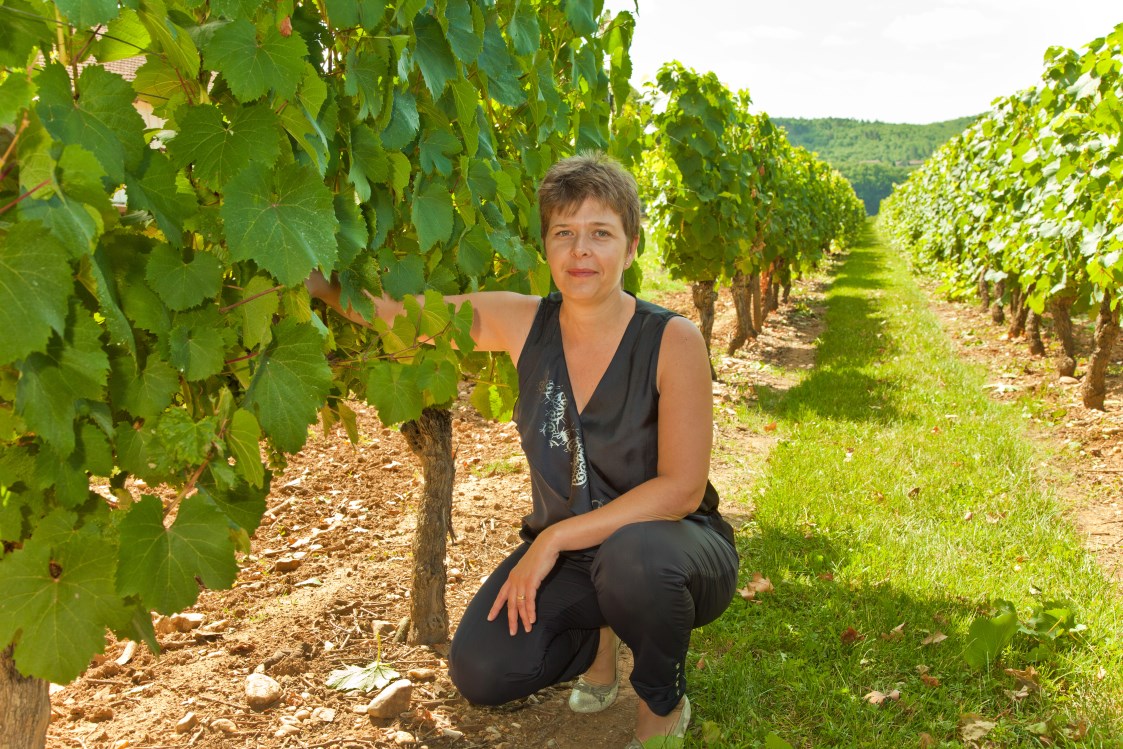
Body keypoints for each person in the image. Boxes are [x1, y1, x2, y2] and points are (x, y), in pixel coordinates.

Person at [310, 152, 739, 748]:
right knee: (483, 670)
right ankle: (599, 642)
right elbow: (398, 317)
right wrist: (306, 272)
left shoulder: (672, 339)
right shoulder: (522, 323)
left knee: (635, 559)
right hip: (581, 559)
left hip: (673, 548)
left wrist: (554, 537)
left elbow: (682, 489)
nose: (580, 250)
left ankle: (661, 704)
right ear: (546, 247)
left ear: (632, 246)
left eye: (600, 233)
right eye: (564, 233)